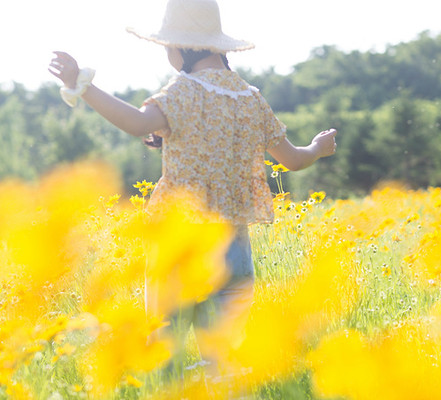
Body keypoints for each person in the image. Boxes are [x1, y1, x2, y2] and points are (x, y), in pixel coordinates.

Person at [49, 0, 337, 380]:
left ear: (182, 47)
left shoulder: (184, 91)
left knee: (164, 356)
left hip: (181, 245)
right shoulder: (251, 98)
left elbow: (136, 123)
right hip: (234, 249)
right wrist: (318, 147)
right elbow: (294, 160)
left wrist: (81, 85)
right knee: (223, 364)